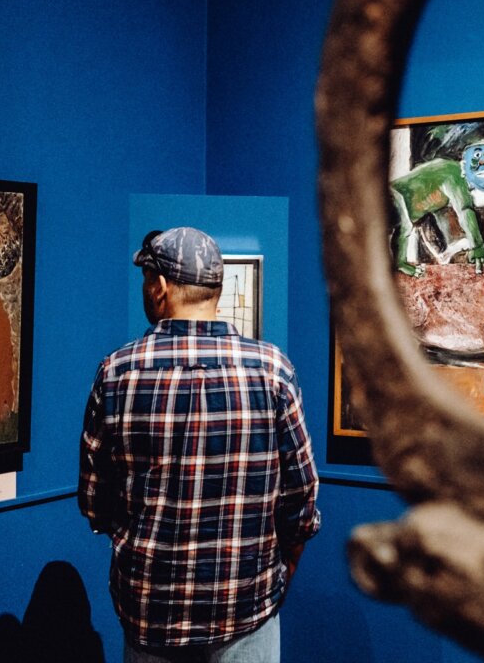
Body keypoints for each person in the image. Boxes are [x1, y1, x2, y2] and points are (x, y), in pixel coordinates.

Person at [79, 227, 320, 663]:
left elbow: (96, 500)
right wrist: (279, 571)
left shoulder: (116, 372)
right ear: (217, 289)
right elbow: (300, 501)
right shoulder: (273, 370)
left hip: (150, 614)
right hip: (247, 608)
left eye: (147, 280)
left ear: (161, 288)